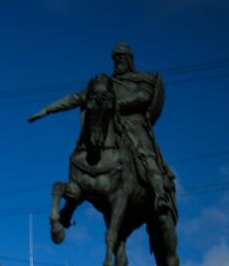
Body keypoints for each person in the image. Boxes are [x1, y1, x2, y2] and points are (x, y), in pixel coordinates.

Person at [28, 41, 176, 218]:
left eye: (121, 57)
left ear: (129, 59)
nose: (117, 61)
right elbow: (74, 98)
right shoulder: (105, 84)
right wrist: (46, 109)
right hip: (109, 125)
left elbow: (142, 96)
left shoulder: (143, 78)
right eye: (115, 58)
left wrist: (113, 103)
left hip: (134, 125)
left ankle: (160, 196)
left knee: (147, 156)